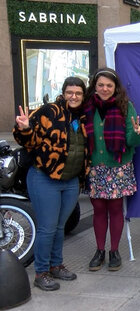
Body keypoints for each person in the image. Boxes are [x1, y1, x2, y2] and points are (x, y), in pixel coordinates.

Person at [13, 77, 89, 291]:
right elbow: (30, 142)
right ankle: (41, 272)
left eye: (78, 93)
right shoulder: (49, 112)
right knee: (47, 228)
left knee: (59, 227)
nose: (73, 96)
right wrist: (25, 127)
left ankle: (56, 265)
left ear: (83, 96)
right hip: (44, 177)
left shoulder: (84, 117)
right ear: (63, 93)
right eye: (69, 92)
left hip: (71, 180)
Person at [84, 67, 140, 271]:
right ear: (94, 86)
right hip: (94, 167)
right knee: (99, 209)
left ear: (115, 87)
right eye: (100, 85)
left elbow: (132, 139)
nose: (105, 88)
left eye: (109, 85)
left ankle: (114, 251)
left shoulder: (125, 106)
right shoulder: (87, 106)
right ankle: (100, 251)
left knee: (116, 208)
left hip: (117, 166)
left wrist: (136, 132)